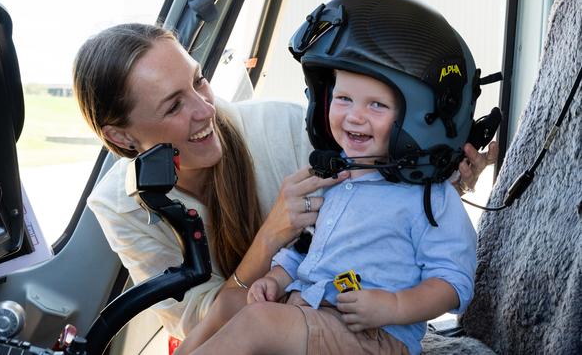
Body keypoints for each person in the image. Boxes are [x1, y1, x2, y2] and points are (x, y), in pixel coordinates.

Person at [72, 17, 496, 344]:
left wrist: (449, 182)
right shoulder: (120, 206)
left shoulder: (286, 128)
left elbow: (386, 213)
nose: (205, 109)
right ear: (121, 136)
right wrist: (271, 238)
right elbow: (204, 327)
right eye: (173, 106)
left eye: (199, 79)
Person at [177, 0, 495, 354]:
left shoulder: (431, 200)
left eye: (376, 104)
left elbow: (453, 282)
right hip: (309, 314)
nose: (354, 116)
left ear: (418, 116)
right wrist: (275, 279)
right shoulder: (336, 180)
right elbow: (306, 249)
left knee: (257, 323)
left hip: (375, 337)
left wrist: (393, 307)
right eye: (343, 99)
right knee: (242, 308)